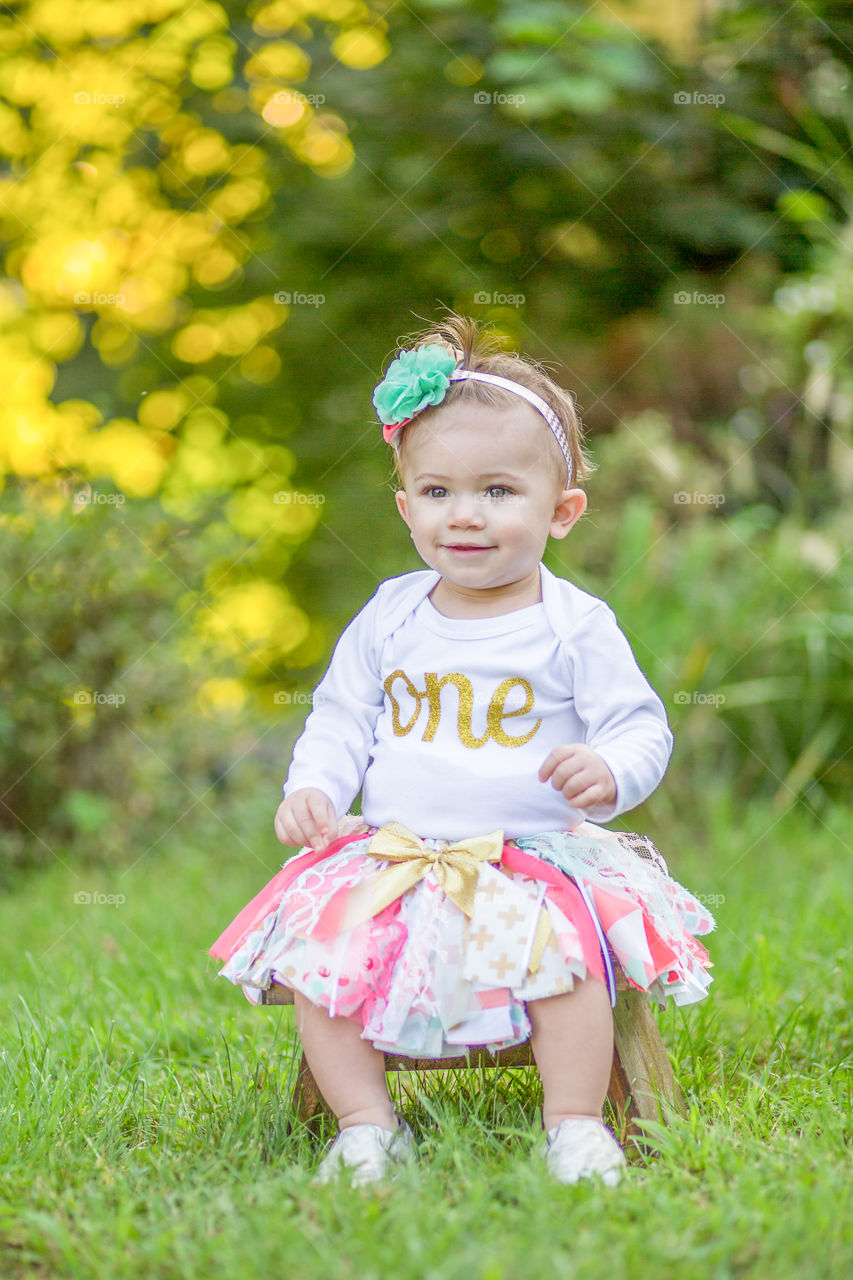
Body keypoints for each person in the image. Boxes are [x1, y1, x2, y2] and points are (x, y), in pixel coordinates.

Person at [209, 315, 714, 1189]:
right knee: (326, 968)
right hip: (398, 849)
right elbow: (339, 718)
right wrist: (315, 788)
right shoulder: (393, 612)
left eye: (497, 492)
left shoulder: (570, 623)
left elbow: (639, 725)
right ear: (406, 506)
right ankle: (367, 1125)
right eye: (437, 493)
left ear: (560, 512)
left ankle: (574, 1123)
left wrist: (609, 771)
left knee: (564, 968)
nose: (464, 516)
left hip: (525, 857)